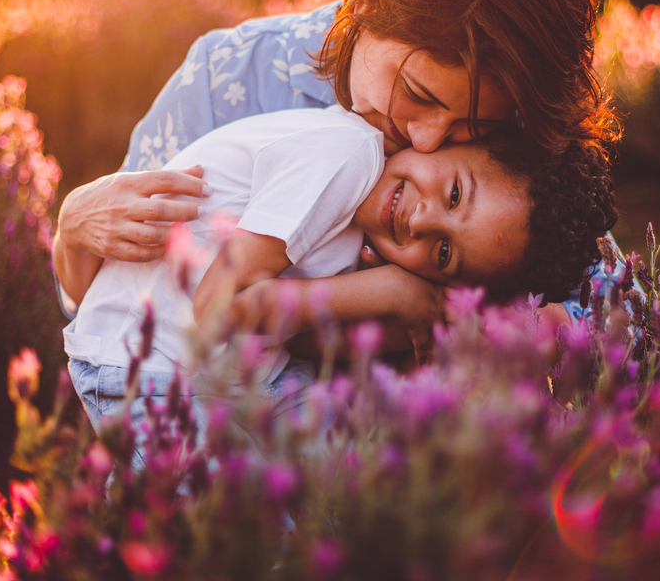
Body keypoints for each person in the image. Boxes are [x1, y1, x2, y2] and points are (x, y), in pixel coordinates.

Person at [52, 0, 622, 350]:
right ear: (370, 2)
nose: (425, 137)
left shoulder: (514, 116)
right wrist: (71, 230)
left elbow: (622, 311)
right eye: (417, 93)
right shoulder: (230, 77)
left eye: (470, 124)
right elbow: (98, 306)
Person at [64, 104, 616, 468]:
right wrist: (394, 294)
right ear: (455, 137)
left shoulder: (363, 241)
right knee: (207, 528)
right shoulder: (347, 156)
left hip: (228, 377)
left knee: (341, 505)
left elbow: (298, 339)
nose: (423, 222)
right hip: (141, 368)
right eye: (453, 193)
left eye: (443, 252)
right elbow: (222, 309)